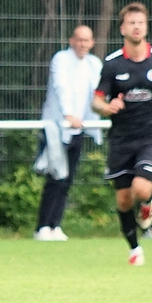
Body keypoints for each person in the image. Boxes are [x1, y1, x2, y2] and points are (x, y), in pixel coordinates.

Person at [92, 3, 152, 266]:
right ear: (122, 29)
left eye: (141, 23)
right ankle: (134, 248)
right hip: (121, 139)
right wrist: (106, 107)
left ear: (146, 27)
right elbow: (96, 101)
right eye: (131, 23)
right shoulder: (112, 64)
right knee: (123, 200)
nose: (137, 27)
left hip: (151, 136)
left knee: (141, 189)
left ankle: (147, 204)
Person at [33, 25, 103, 242]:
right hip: (56, 128)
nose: (82, 44)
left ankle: (55, 225)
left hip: (77, 130)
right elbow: (61, 87)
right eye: (79, 40)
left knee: (67, 179)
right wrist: (68, 115)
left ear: (92, 43)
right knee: (55, 176)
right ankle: (43, 226)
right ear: (72, 41)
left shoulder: (94, 64)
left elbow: (100, 92)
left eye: (87, 40)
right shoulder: (61, 59)